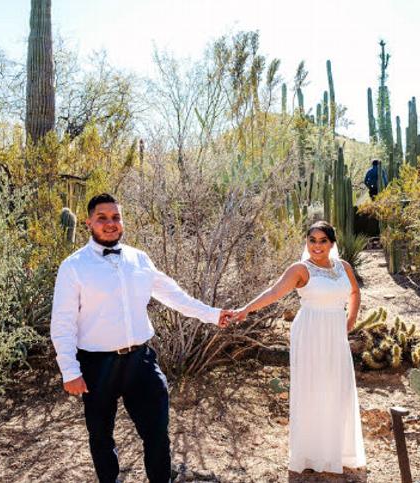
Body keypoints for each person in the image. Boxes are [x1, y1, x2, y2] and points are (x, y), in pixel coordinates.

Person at [50, 193, 232, 483]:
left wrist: (212, 314)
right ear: (88, 223)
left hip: (140, 361)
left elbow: (174, 295)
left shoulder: (139, 259)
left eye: (116, 217)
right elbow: (62, 322)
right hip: (96, 366)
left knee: (158, 433)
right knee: (101, 436)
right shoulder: (73, 266)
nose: (110, 224)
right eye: (102, 218)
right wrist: (69, 370)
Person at [230, 220, 366, 474]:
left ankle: (338, 451)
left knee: (338, 388)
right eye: (312, 240)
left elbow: (355, 292)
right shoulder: (301, 269)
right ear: (307, 242)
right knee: (313, 388)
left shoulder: (343, 267)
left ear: (332, 243)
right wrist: (245, 309)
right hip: (311, 332)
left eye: (322, 240)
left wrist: (351, 319)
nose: (317, 246)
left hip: (336, 334)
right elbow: (273, 292)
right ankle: (311, 455)